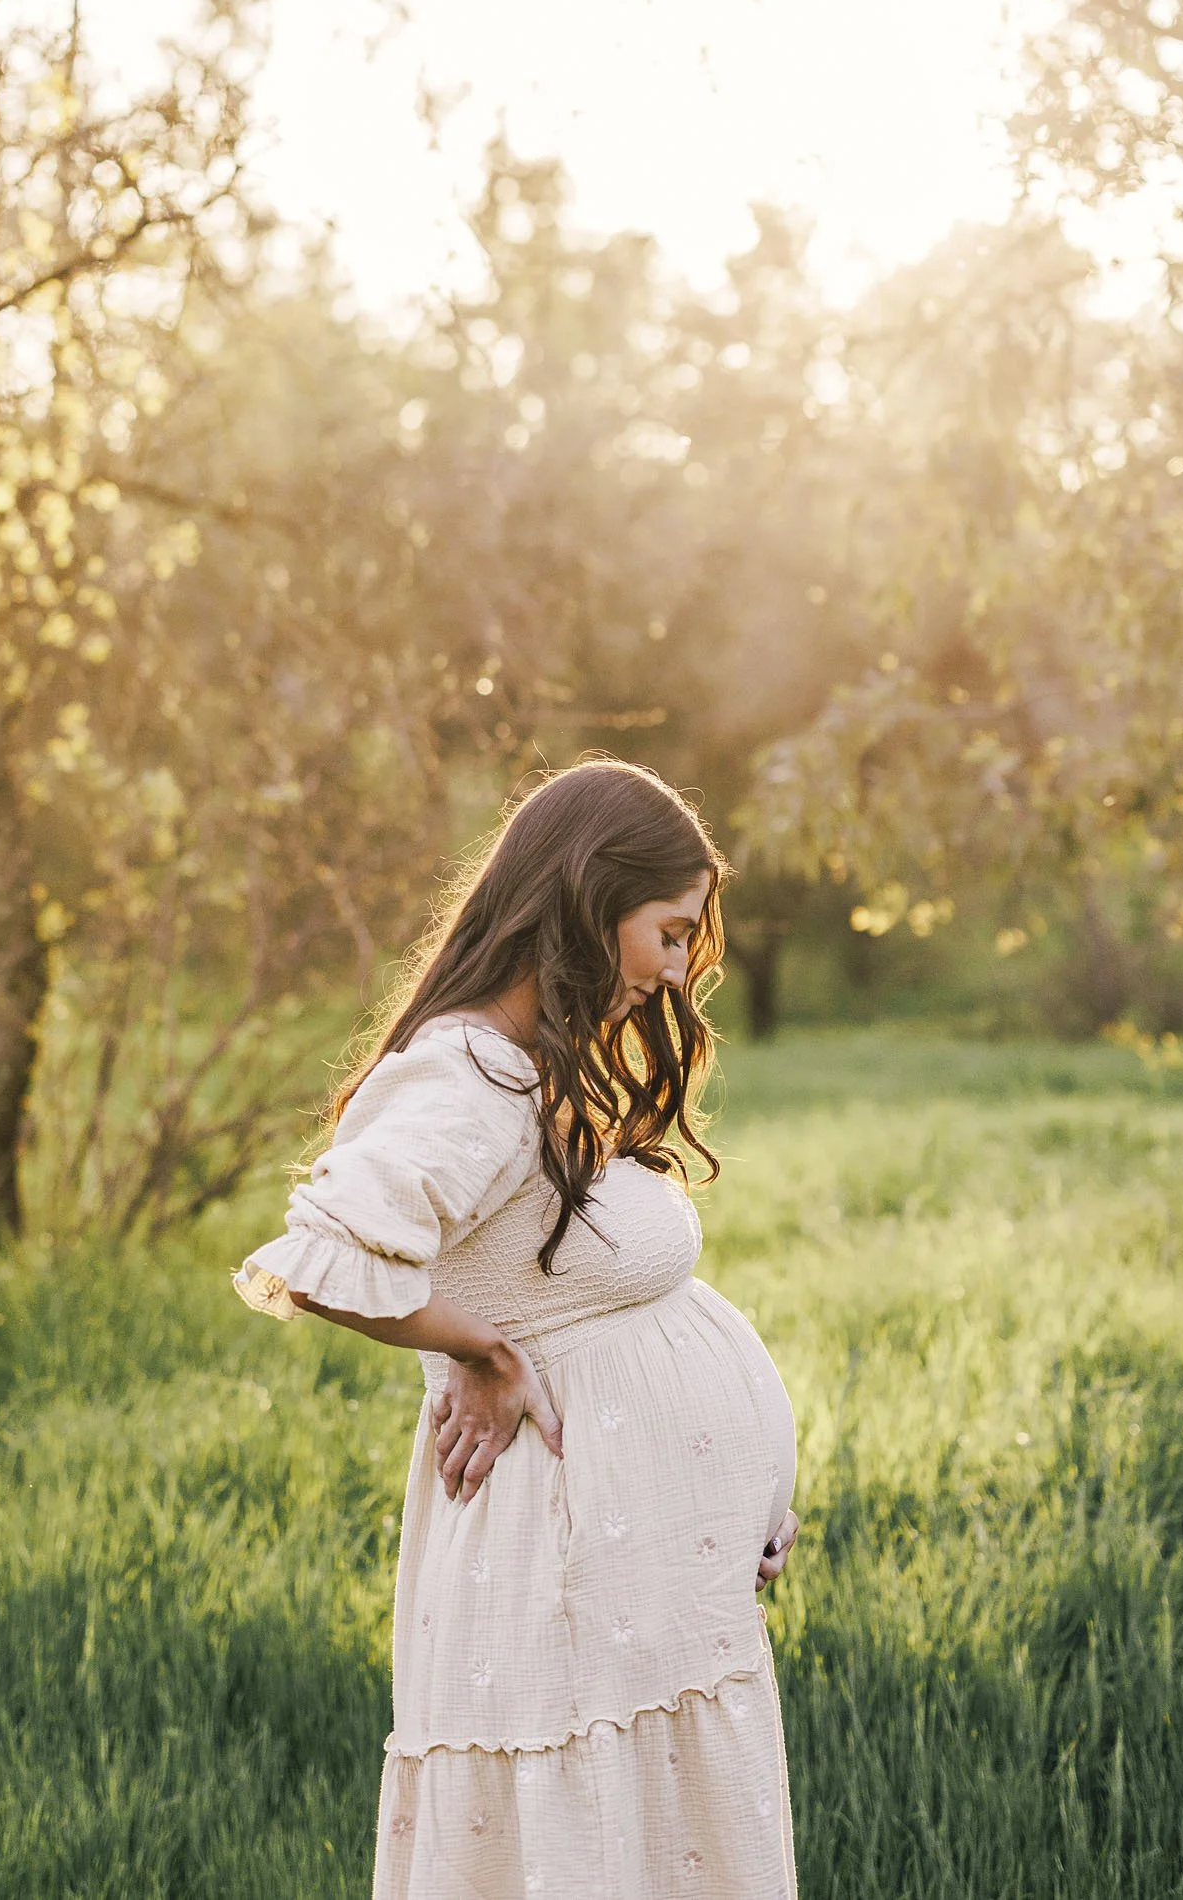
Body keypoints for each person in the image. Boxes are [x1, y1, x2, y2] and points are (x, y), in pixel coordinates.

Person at [233, 756, 800, 1898]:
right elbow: (328, 1257)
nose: (679, 969)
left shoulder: (535, 1066)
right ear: (589, 897)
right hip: (561, 1569)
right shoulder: (466, 1073)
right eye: (668, 930)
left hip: (638, 1591)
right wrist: (477, 1349)